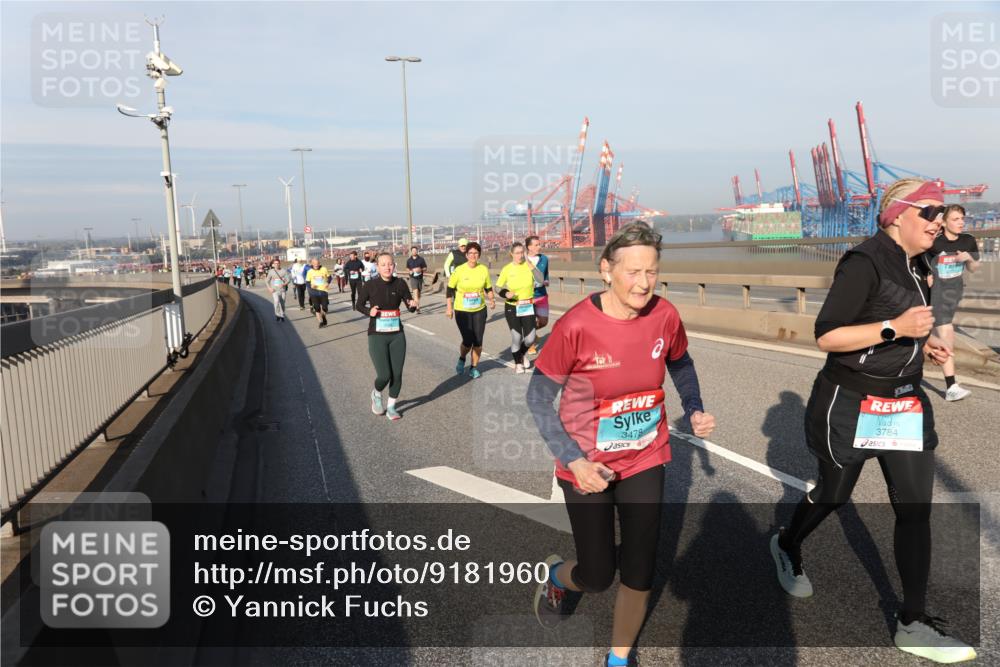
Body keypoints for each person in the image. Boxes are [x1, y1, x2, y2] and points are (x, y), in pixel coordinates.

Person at [769, 179, 975, 664]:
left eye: (942, 212)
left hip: (903, 404)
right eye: (928, 211)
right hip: (851, 401)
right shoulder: (864, 261)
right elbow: (828, 335)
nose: (938, 221)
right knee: (835, 494)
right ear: (896, 216)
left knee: (915, 511)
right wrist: (896, 329)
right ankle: (787, 542)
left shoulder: (921, 264)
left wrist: (923, 345)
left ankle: (913, 622)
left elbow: (905, 327)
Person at [527, 221, 715, 666]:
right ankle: (557, 576)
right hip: (587, 463)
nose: (644, 283)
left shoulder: (664, 315)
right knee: (596, 575)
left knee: (640, 564)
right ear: (606, 270)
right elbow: (537, 397)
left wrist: (694, 406)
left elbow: (681, 361)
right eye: (633, 272)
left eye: (651, 271)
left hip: (646, 455)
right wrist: (573, 462)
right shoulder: (576, 326)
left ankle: (617, 657)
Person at [924, 204, 981, 402]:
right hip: (936, 293)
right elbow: (917, 258)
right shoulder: (934, 243)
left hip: (954, 293)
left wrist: (968, 259)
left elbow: (974, 268)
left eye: (962, 219)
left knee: (927, 334)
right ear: (945, 222)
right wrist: (926, 275)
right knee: (946, 332)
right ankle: (951, 386)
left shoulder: (968, 240)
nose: (961, 223)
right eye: (956, 219)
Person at [355, 252, 418, 421]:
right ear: (377, 267)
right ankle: (376, 393)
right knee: (384, 374)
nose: (387, 267)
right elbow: (358, 305)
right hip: (377, 335)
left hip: (397, 334)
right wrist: (370, 311)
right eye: (383, 264)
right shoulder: (370, 285)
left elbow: (409, 303)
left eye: (390, 264)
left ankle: (391, 407)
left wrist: (412, 305)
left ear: (394, 265)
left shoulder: (400, 284)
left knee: (397, 374)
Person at [445, 241, 494, 379]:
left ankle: (473, 368)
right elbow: (449, 289)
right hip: (462, 310)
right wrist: (449, 308)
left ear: (479, 255)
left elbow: (488, 287)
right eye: (470, 253)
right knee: (467, 341)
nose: (473, 255)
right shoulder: (459, 270)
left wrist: (492, 299)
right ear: (466, 255)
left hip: (479, 309)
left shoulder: (483, 269)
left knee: (478, 341)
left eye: (476, 253)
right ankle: (462, 358)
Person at [495, 241, 537, 374]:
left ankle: (521, 354)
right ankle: (518, 364)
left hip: (528, 306)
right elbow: (497, 288)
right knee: (517, 338)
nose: (520, 256)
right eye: (517, 253)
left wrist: (531, 266)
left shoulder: (529, 266)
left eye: (522, 253)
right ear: (511, 254)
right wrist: (506, 293)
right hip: (512, 307)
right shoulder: (507, 269)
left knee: (530, 338)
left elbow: (541, 280)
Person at [525, 235, 550, 355]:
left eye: (539, 244)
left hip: (541, 294)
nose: (539, 246)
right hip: (527, 296)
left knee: (544, 321)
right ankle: (531, 345)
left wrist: (546, 281)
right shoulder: (523, 260)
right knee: (530, 321)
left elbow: (546, 274)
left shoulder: (544, 258)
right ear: (529, 247)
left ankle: (530, 334)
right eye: (536, 245)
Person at [305, 258, 332, 328]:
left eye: (317, 264)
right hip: (314, 292)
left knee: (325, 308)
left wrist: (328, 283)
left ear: (319, 263)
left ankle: (324, 317)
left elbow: (330, 277)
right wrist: (311, 286)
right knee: (317, 308)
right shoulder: (310, 272)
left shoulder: (324, 269)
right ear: (312, 264)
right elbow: (307, 282)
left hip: (324, 291)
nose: (316, 265)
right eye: (315, 264)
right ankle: (320, 322)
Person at [405, 246, 428, 313]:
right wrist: (410, 271)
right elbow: (407, 268)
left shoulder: (421, 259)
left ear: (417, 251)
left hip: (420, 278)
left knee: (419, 294)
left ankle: (415, 301)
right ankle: (417, 307)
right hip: (413, 278)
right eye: (413, 251)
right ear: (411, 252)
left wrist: (420, 269)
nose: (414, 252)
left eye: (415, 250)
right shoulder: (409, 260)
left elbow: (425, 268)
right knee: (415, 291)